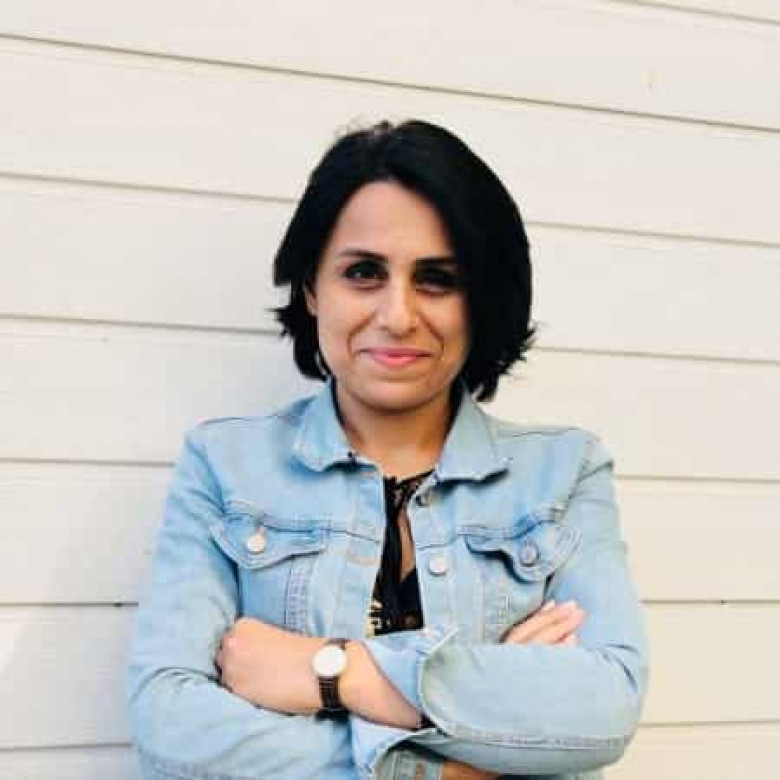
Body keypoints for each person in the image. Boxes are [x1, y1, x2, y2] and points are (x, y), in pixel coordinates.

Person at [126, 119, 649, 780]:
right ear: (312, 288)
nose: (398, 315)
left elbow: (603, 706)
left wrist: (334, 672)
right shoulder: (226, 466)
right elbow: (171, 725)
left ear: (480, 299)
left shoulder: (563, 474)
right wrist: (457, 761)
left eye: (437, 279)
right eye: (364, 273)